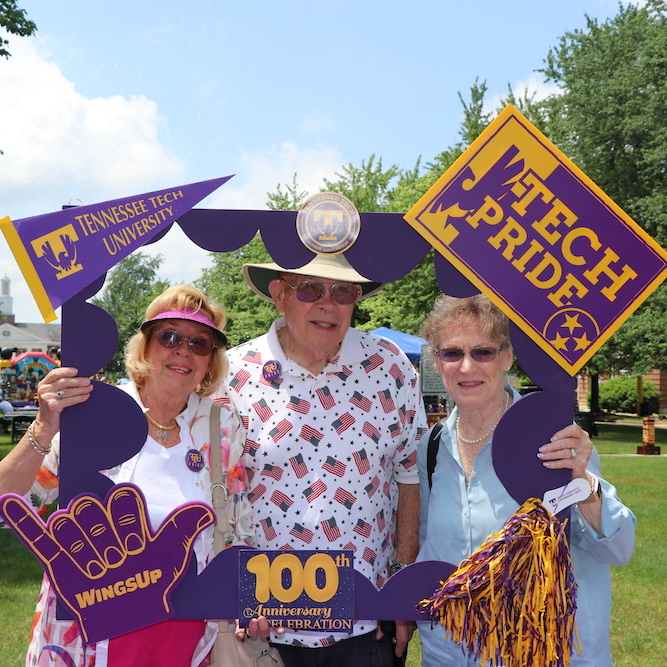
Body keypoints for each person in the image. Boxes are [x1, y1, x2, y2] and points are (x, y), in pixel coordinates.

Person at [0, 284, 252, 667]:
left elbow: (237, 524)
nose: (184, 350)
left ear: (210, 360)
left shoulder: (218, 424)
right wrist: (44, 426)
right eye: (169, 337)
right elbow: (10, 500)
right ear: (146, 347)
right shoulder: (93, 414)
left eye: (200, 343)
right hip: (91, 628)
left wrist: (245, 600)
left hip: (186, 631)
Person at [215, 252, 428, 666]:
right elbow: (218, 492)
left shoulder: (391, 367)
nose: (327, 304)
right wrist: (235, 589)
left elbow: (409, 475)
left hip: (368, 619)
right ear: (279, 294)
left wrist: (402, 579)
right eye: (310, 288)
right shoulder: (235, 373)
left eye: (343, 291)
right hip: (265, 625)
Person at [415, 294, 636, 667]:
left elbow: (618, 549)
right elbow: (430, 544)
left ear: (507, 357)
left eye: (483, 352)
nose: (466, 367)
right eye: (452, 353)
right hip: (450, 653)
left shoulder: (551, 438)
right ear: (437, 361)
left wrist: (585, 486)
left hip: (542, 652)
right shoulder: (433, 445)